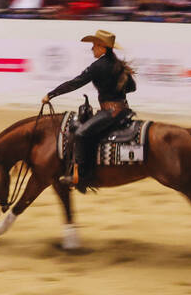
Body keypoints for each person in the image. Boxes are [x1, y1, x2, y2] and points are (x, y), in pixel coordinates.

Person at [41, 29, 136, 193]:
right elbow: (132, 87)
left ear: (102, 47)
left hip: (110, 112)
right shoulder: (118, 65)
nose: (92, 48)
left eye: (94, 45)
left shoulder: (98, 66)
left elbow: (75, 83)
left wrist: (51, 94)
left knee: (81, 134)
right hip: (123, 111)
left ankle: (82, 176)